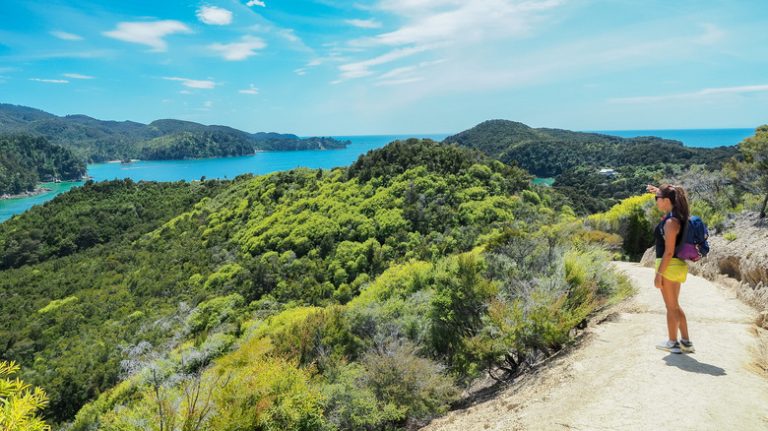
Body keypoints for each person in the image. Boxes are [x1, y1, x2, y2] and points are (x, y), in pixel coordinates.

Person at [646, 184, 695, 354]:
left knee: (671, 307)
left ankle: (674, 343)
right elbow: (673, 191)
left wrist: (659, 274)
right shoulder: (676, 217)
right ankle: (684, 342)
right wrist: (656, 190)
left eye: (657, 198)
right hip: (676, 265)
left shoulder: (670, 222)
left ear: (666, 201)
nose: (655, 201)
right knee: (673, 306)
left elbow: (668, 251)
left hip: (669, 266)